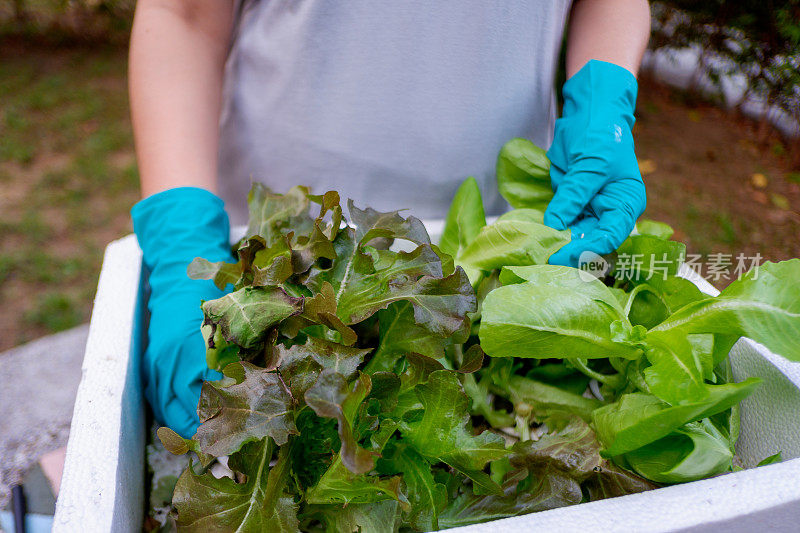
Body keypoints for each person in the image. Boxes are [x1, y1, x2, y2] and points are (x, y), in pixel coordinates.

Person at [129, 0, 650, 437]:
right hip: (276, 244)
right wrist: (184, 247)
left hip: (493, 243)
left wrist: (603, 99)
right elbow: (186, 16)